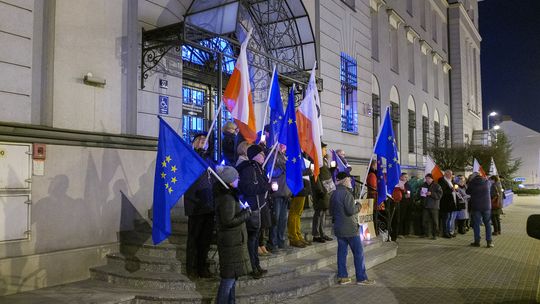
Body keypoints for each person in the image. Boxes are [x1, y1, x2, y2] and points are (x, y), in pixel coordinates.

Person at [214, 166, 252, 304]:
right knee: (228, 279)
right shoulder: (227, 198)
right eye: (236, 178)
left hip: (233, 241)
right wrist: (246, 214)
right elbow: (228, 220)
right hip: (230, 242)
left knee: (232, 278)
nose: (238, 180)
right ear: (230, 181)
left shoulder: (229, 195)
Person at [330, 172, 375, 286]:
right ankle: (361, 278)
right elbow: (351, 210)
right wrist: (359, 206)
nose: (350, 181)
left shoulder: (334, 193)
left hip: (339, 228)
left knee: (342, 253)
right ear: (345, 180)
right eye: (349, 179)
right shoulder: (346, 193)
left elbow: (331, 211)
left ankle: (343, 277)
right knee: (358, 253)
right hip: (350, 229)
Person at [236, 144, 271, 278]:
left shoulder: (259, 169)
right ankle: (252, 267)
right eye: (261, 154)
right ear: (255, 155)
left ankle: (256, 265)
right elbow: (248, 189)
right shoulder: (249, 169)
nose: (263, 156)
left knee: (256, 240)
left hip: (260, 208)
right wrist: (265, 187)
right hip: (253, 209)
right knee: (252, 240)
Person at [184, 133, 215, 278]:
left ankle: (203, 267)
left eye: (206, 141)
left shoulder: (209, 159)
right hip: (195, 204)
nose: (203, 142)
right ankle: (191, 267)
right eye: (200, 140)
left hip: (209, 204)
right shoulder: (190, 157)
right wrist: (199, 153)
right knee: (194, 239)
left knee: (205, 240)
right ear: (194, 143)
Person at [268, 145, 292, 251]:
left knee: (283, 219)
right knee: (275, 219)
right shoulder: (272, 154)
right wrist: (283, 168)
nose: (285, 145)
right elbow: (270, 172)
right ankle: (273, 242)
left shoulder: (285, 155)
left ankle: (281, 240)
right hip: (277, 192)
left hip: (285, 192)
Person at [312, 142, 334, 243]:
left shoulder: (324, 160)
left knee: (324, 212)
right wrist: (320, 190)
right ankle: (316, 234)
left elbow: (325, 174)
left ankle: (322, 232)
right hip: (320, 190)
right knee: (319, 212)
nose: (325, 150)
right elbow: (316, 177)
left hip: (326, 189)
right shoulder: (317, 160)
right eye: (324, 149)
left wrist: (331, 170)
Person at [288, 159, 313, 248]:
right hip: (297, 187)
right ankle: (293, 236)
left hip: (303, 187)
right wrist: (305, 171)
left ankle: (298, 235)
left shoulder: (301, 155)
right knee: (294, 213)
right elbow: (292, 171)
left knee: (298, 214)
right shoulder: (293, 153)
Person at [467, 173, 493, 248]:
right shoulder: (487, 182)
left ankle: (477, 242)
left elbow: (467, 192)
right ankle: (489, 242)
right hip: (486, 206)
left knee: (476, 225)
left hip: (476, 207)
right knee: (487, 224)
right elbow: (490, 190)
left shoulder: (472, 183)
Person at [420, 173, 443, 240]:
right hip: (425, 205)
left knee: (435, 221)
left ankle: (435, 235)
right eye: (426, 178)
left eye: (429, 178)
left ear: (432, 179)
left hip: (434, 206)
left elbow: (439, 195)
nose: (427, 180)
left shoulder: (437, 185)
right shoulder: (423, 185)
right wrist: (421, 194)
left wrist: (431, 194)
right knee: (424, 220)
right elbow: (421, 195)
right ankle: (425, 233)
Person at [439, 170, 458, 238]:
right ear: (446, 174)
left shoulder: (451, 181)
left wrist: (455, 189)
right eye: (450, 174)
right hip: (445, 203)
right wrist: (451, 189)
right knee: (446, 218)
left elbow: (453, 190)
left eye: (451, 174)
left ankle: (449, 231)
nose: (451, 175)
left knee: (450, 218)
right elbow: (443, 192)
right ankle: (445, 232)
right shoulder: (442, 181)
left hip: (451, 203)